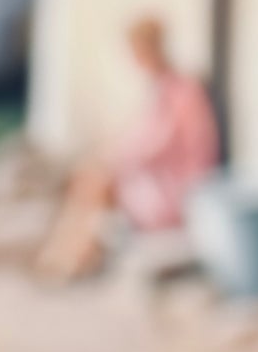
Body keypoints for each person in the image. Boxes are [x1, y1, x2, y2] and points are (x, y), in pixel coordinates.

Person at [38, 16, 221, 280]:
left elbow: (157, 146)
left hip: (178, 188)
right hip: (161, 177)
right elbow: (138, 139)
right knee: (92, 179)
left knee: (96, 182)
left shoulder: (181, 90)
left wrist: (113, 158)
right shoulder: (162, 87)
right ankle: (71, 252)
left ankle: (71, 255)